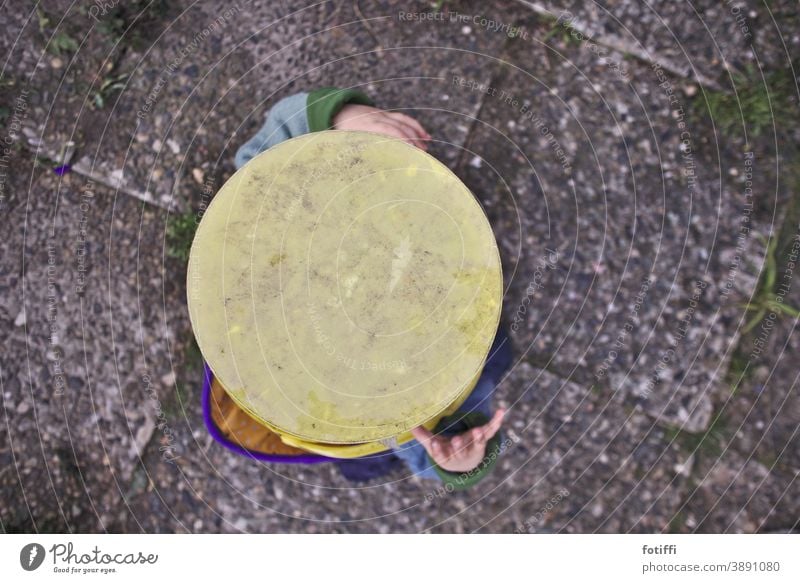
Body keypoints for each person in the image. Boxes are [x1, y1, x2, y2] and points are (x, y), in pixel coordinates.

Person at [233, 87, 513, 489]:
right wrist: (458, 459)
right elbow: (432, 448)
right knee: (370, 461)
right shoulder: (414, 398)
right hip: (445, 366)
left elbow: (267, 147)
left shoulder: (259, 233)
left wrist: (339, 119)